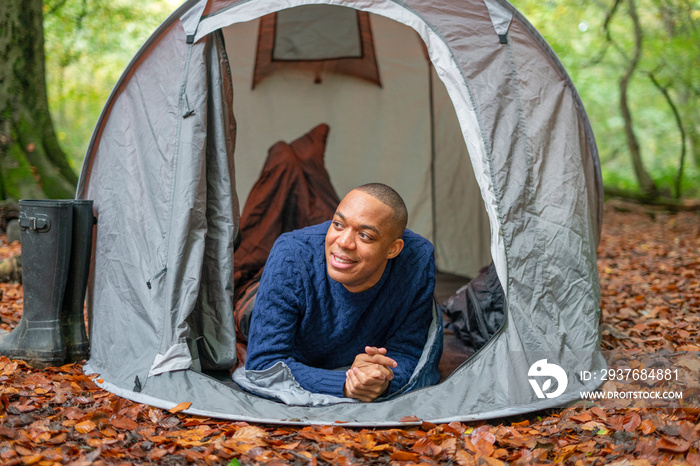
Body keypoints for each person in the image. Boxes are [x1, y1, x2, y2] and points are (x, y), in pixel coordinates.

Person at [233, 124, 441, 403]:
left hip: (324, 270)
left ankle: (302, 165)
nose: (344, 241)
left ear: (394, 249)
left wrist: (381, 380)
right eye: (338, 224)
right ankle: (286, 161)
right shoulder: (291, 252)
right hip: (259, 296)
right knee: (250, 245)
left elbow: (407, 351)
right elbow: (264, 362)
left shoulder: (417, 259)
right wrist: (345, 383)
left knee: (322, 213)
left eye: (365, 235)